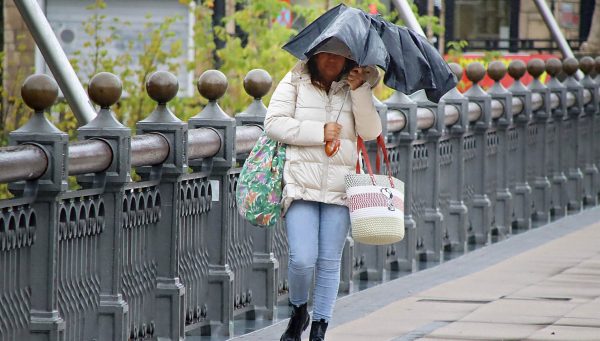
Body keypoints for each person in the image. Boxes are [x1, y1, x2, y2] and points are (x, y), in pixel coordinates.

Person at [264, 38, 382, 341]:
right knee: (302, 259)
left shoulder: (356, 86)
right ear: (314, 55)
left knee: (330, 261)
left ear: (350, 60)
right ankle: (298, 311)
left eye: (341, 55)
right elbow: (273, 123)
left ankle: (319, 329)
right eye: (326, 53)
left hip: (341, 188)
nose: (332, 60)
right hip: (301, 185)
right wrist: (319, 132)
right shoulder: (295, 80)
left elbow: (370, 132)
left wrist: (360, 91)